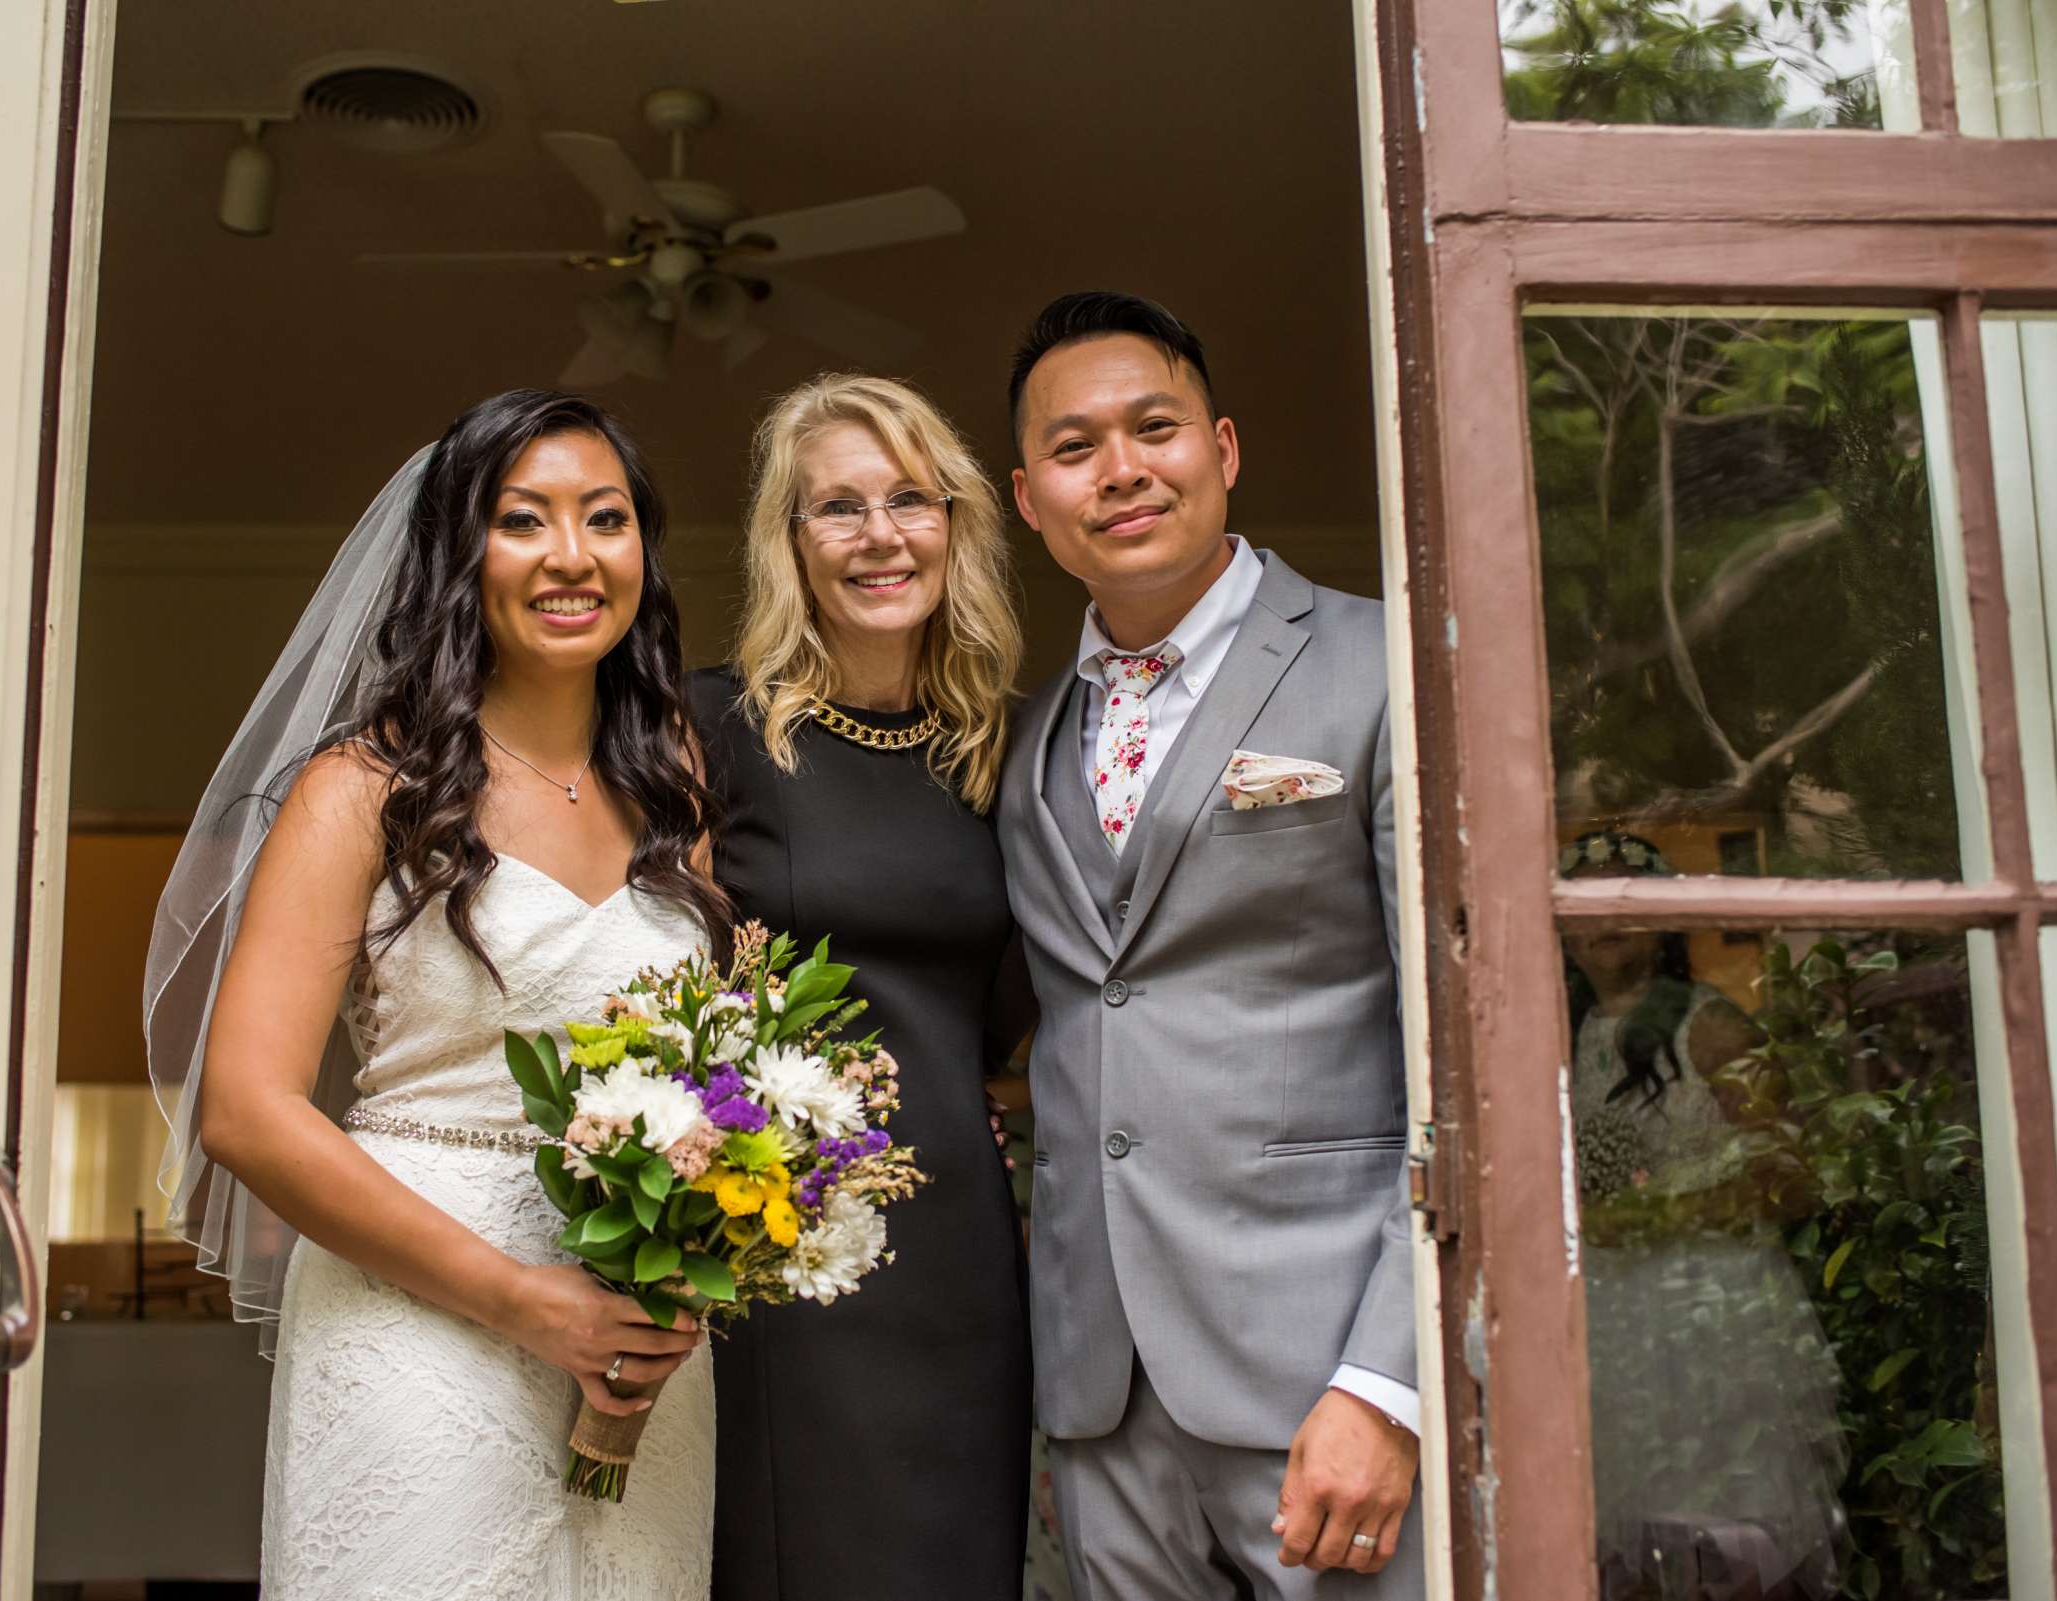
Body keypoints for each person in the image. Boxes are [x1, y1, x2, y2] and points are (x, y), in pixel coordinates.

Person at [144, 391, 729, 1599]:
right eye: (524, 521)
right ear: (462, 555)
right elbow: (247, 1109)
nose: (572, 557)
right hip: (415, 1320)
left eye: (605, 519)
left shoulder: (671, 770)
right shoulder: (364, 788)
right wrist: (519, 1297)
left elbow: (701, 1066)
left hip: (636, 1340)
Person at [994, 292, 1423, 1599]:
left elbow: (1491, 1048)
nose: (1119, 471)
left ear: (1223, 450)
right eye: (1074, 449)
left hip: (1325, 1381)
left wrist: (1388, 1380)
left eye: (1153, 429)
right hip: (1101, 1398)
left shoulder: (1386, 663)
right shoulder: (1024, 741)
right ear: (1028, 498)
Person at [686, 372, 1033, 1600]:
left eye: (910, 499)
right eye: (839, 508)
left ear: (958, 523)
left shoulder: (1011, 749)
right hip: (782, 1241)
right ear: (789, 542)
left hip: (967, 1251)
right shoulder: (709, 731)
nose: (882, 534)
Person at [1560, 829, 1846, 1600]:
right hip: (1614, 1318)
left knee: (1726, 1530)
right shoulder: (1562, 1039)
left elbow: (1793, 1177)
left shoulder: (1710, 1026)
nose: (1604, 919)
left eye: (1627, 898)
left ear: (1662, 919)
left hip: (1713, 1312)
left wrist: (1655, 1214)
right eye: (1585, 900)